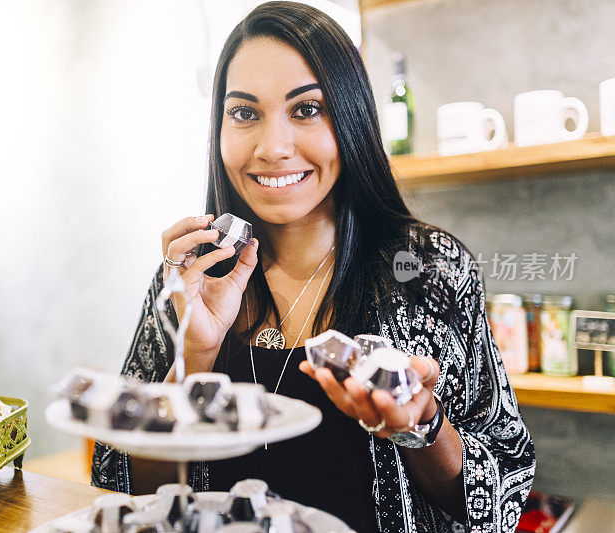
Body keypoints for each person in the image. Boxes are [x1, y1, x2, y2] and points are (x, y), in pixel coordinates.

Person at [92, 2, 535, 531]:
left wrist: (421, 425)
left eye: (306, 110)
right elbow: (130, 487)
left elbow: (504, 481)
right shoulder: (189, 278)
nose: (273, 147)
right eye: (244, 112)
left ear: (350, 117)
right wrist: (195, 357)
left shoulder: (427, 269)